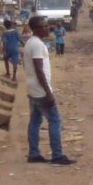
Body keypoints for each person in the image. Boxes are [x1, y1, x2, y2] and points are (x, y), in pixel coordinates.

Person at [23, 16, 75, 165]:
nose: (47, 28)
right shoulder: (37, 45)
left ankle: (33, 154)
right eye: (43, 26)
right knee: (54, 121)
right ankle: (57, 156)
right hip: (41, 90)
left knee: (34, 122)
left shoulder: (30, 43)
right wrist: (48, 92)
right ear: (35, 28)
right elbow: (39, 70)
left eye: (47, 26)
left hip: (32, 88)